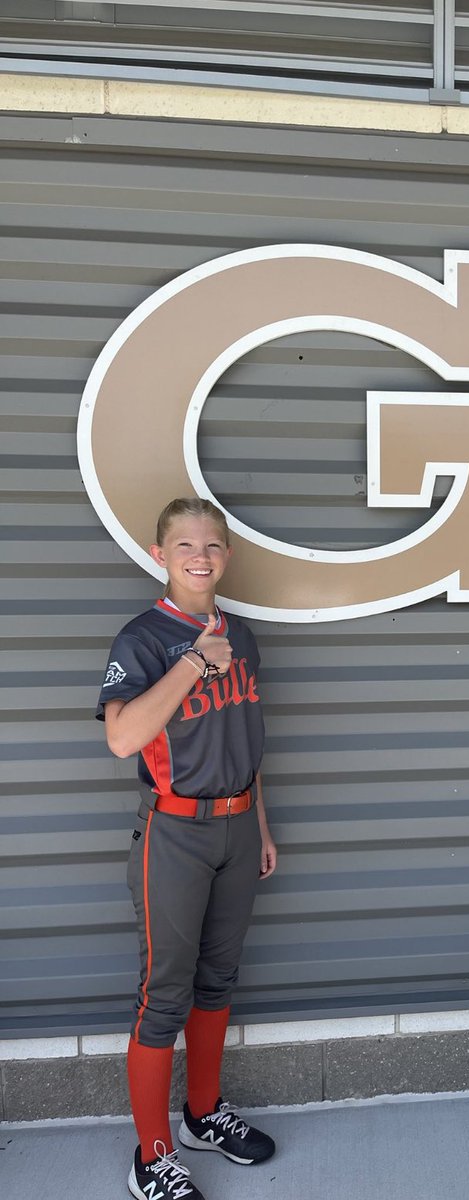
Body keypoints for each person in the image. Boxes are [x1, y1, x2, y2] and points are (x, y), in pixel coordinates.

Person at [96, 497, 278, 1200]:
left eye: (212, 545)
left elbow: (248, 743)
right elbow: (121, 739)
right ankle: (153, 1155)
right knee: (163, 996)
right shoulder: (142, 638)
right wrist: (194, 662)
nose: (199, 556)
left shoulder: (246, 636)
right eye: (184, 545)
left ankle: (203, 1114)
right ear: (160, 555)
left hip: (236, 825)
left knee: (218, 980)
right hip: (173, 832)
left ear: (226, 556)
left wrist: (258, 825)